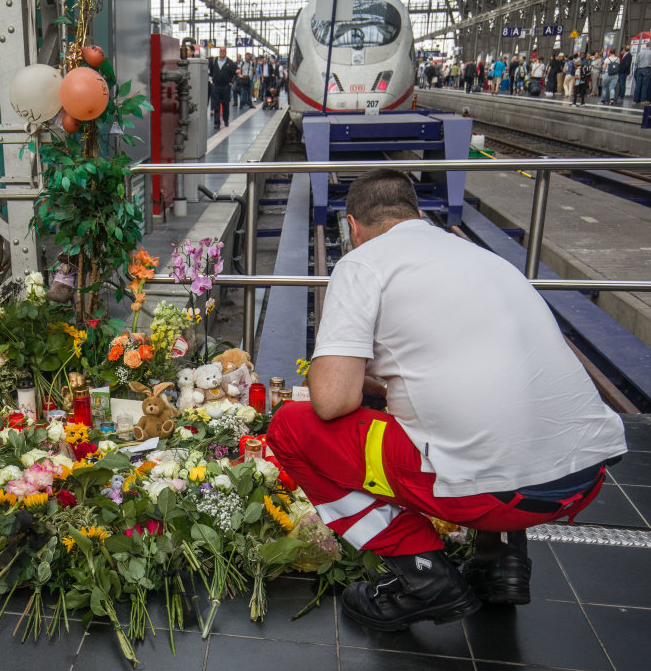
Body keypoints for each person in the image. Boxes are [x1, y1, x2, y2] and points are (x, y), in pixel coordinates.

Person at [265, 169, 626, 632]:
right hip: (581, 477)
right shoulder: (483, 257)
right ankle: (501, 563)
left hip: (492, 495)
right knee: (482, 410)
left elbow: (332, 401)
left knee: (292, 427)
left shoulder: (363, 263)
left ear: (353, 227)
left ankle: (424, 578)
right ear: (418, 215)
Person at [209, 46, 235, 130]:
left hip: (226, 87)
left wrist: (231, 81)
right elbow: (210, 72)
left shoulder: (230, 63)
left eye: (224, 51)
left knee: (225, 104)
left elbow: (236, 72)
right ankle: (217, 123)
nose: (222, 52)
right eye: (221, 51)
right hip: (216, 86)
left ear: (226, 52)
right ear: (219, 52)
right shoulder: (214, 61)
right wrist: (212, 81)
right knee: (216, 105)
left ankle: (226, 120)